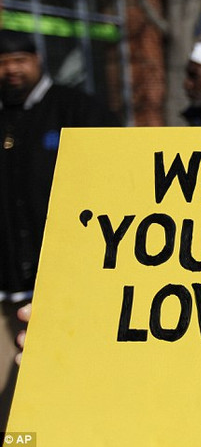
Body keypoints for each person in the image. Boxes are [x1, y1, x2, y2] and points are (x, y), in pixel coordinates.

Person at [0, 29, 117, 427]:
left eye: (18, 61)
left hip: (68, 283)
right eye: (2, 64)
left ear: (37, 60)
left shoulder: (77, 109)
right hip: (8, 283)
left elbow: (114, 184)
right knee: (10, 402)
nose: (10, 71)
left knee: (68, 393)